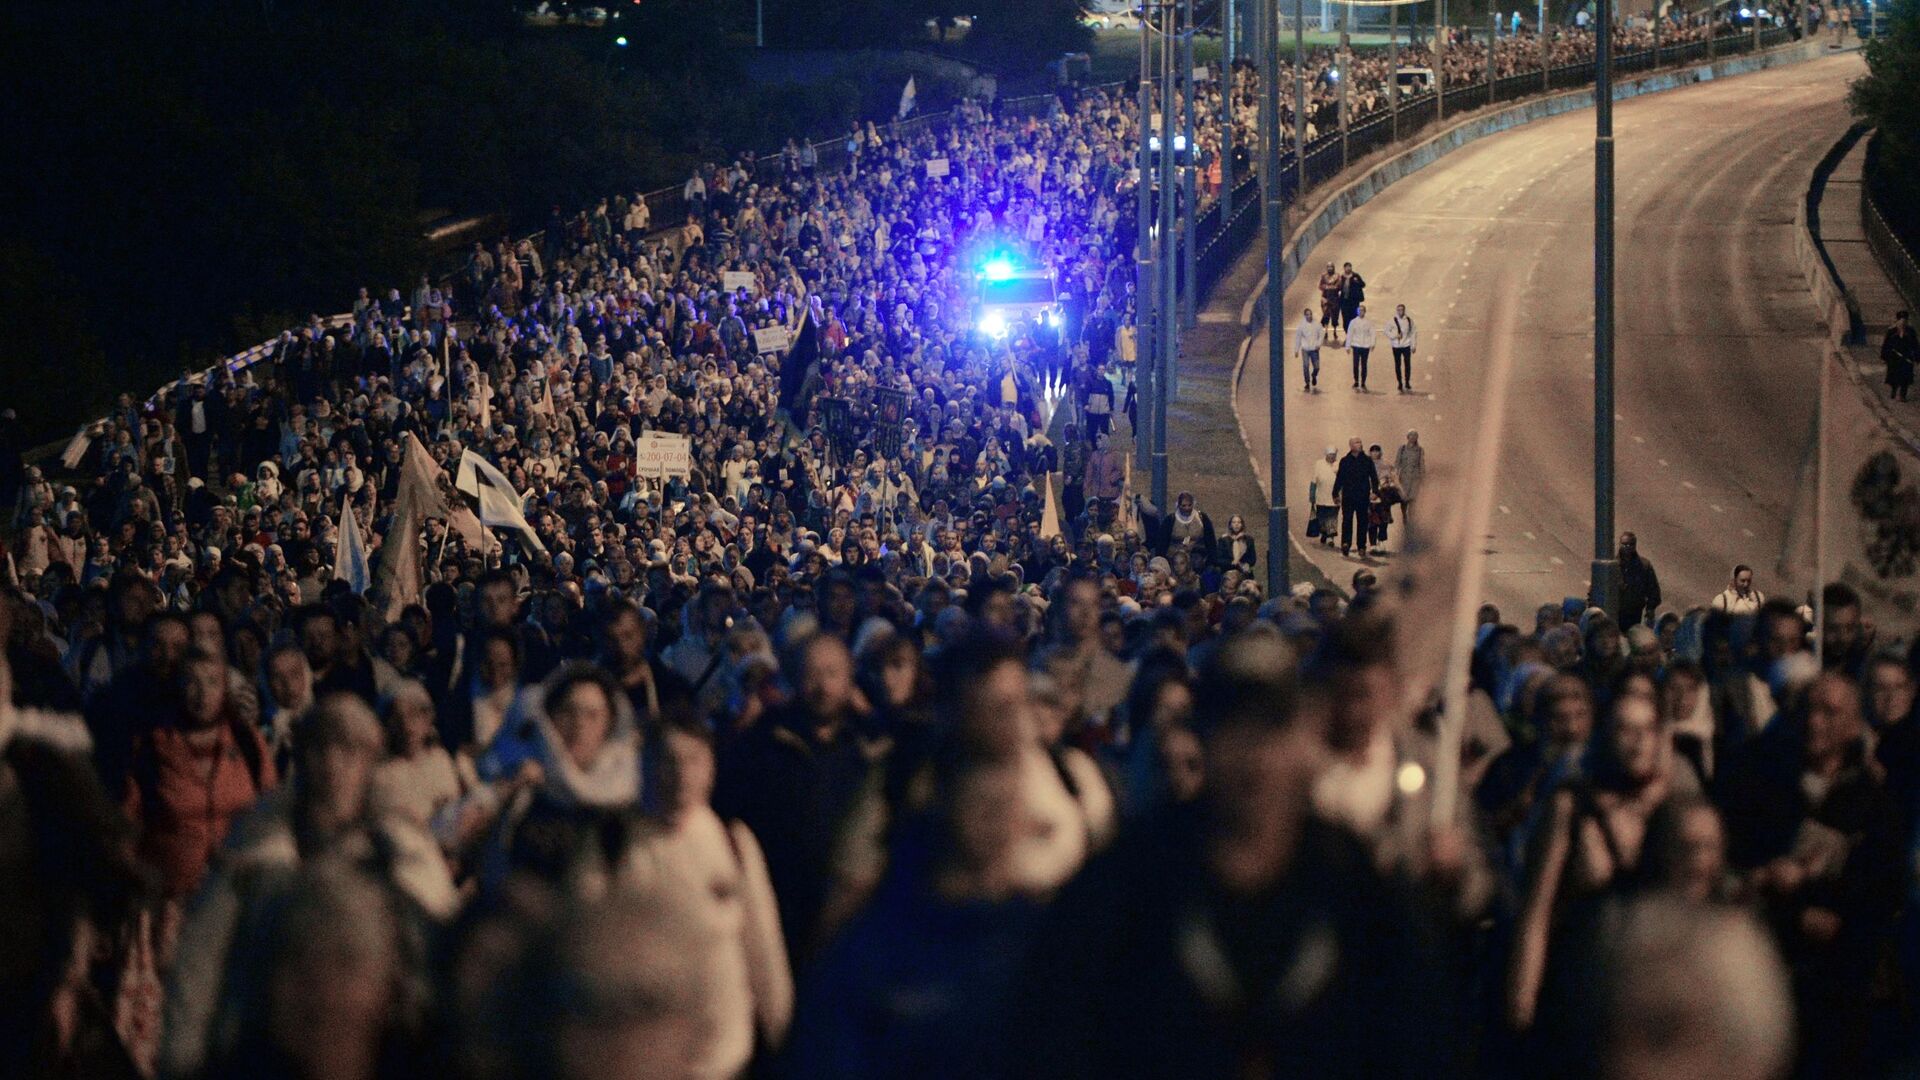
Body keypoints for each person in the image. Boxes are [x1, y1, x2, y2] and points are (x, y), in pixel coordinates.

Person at [1009, 632, 1456, 1077]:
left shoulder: (1353, 885)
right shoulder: (1129, 882)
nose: (1253, 756)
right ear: (1201, 739)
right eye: (1233, 729)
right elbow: (1060, 1031)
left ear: (1303, 738)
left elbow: (1415, 1032)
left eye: (1271, 729)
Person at [1334, 437, 1379, 559]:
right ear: (1351, 445)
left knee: (1362, 522)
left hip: (1362, 496)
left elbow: (1374, 478)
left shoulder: (1367, 461)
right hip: (1348, 496)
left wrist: (1375, 491)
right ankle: (1346, 543)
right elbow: (1339, 479)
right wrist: (1335, 493)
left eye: (1360, 442)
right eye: (1357, 442)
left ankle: (1361, 546)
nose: (1360, 444)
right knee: (1347, 520)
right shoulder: (1345, 461)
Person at [1615, 532, 1661, 628]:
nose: (1627, 547)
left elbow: (1653, 589)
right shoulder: (1611, 565)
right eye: (1624, 544)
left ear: (1635, 546)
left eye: (1630, 544)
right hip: (1614, 613)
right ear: (1619, 544)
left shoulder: (1644, 566)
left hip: (1634, 614)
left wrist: (1650, 609)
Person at [1882, 310, 1916, 401]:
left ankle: (1902, 395)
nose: (1902, 322)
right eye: (1901, 319)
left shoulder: (1910, 331)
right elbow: (1886, 344)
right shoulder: (1892, 331)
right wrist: (1885, 356)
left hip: (1906, 358)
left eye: (1904, 319)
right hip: (1894, 358)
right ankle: (1894, 389)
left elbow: (1915, 344)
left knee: (1905, 377)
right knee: (1894, 376)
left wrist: (1916, 356)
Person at [1395, 430, 1424, 533]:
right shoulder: (1402, 449)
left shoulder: (1420, 450)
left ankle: (1411, 519)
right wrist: (1395, 476)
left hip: (1415, 478)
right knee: (1404, 499)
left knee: (1413, 499)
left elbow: (1421, 464)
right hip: (1404, 477)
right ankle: (1404, 515)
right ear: (1407, 437)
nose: (1413, 437)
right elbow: (1397, 462)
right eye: (1411, 435)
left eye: (1415, 436)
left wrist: (1422, 477)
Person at [1310, 445, 1339, 546]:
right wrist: (1312, 495)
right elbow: (1314, 480)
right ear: (1326, 455)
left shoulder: (1338, 465)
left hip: (1334, 497)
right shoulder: (1319, 464)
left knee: (1332, 517)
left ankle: (1330, 537)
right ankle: (1324, 533)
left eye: (1333, 455)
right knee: (1322, 517)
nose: (1331, 457)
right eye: (1330, 455)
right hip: (1321, 496)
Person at [1346, 301, 1377, 391]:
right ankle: (1356, 380)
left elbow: (1372, 333)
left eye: (1362, 310)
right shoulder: (1353, 322)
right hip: (1356, 345)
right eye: (1359, 310)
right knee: (1355, 364)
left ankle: (1363, 381)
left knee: (1364, 365)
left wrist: (1372, 344)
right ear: (1357, 312)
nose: (1361, 312)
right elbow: (1350, 334)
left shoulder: (1369, 322)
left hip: (1365, 346)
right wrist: (1348, 346)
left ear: (1365, 312)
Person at [1388, 303, 1418, 392]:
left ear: (1404, 310)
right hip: (1396, 346)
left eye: (1402, 310)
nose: (1400, 311)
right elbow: (1386, 331)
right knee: (1398, 365)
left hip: (1406, 345)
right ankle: (1400, 383)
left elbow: (1413, 333)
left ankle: (1407, 382)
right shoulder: (1392, 321)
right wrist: (1394, 336)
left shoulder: (1409, 320)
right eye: (1399, 310)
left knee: (1407, 364)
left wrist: (1413, 345)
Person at [1296, 307, 1324, 391]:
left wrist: (1318, 344)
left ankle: (1314, 375)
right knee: (1305, 365)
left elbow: (1321, 335)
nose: (1309, 316)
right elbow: (1298, 337)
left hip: (1314, 349)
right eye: (1307, 315)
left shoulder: (1317, 324)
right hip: (1305, 349)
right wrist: (1296, 349)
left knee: (1317, 367)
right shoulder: (1301, 326)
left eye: (1310, 314)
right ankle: (1307, 382)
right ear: (1305, 316)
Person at [1338, 262, 1367, 342]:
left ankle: (1355, 336)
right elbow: (1338, 287)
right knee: (1345, 319)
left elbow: (1363, 284)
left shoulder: (1356, 276)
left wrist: (1357, 281)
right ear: (1344, 268)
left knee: (1354, 318)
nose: (1348, 268)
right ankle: (1348, 335)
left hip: (1354, 302)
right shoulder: (1341, 277)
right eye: (1347, 267)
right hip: (1344, 302)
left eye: (1349, 267)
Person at [1317, 263, 1344, 342]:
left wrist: (1334, 287)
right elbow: (1320, 286)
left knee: (1335, 315)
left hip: (1335, 299)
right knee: (1326, 315)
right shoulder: (1324, 276)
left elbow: (1339, 286)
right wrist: (1326, 287)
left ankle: (1335, 330)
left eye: (1331, 267)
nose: (1330, 268)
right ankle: (1325, 331)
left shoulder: (1337, 276)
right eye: (1328, 267)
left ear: (1333, 267)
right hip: (1325, 298)